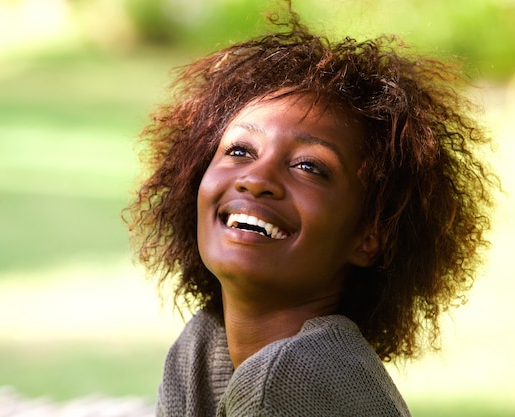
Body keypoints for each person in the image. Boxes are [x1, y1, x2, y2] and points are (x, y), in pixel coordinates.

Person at [124, 4, 497, 416]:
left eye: (308, 166)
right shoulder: (203, 347)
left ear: (367, 236)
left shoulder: (291, 377)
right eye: (240, 150)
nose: (256, 178)